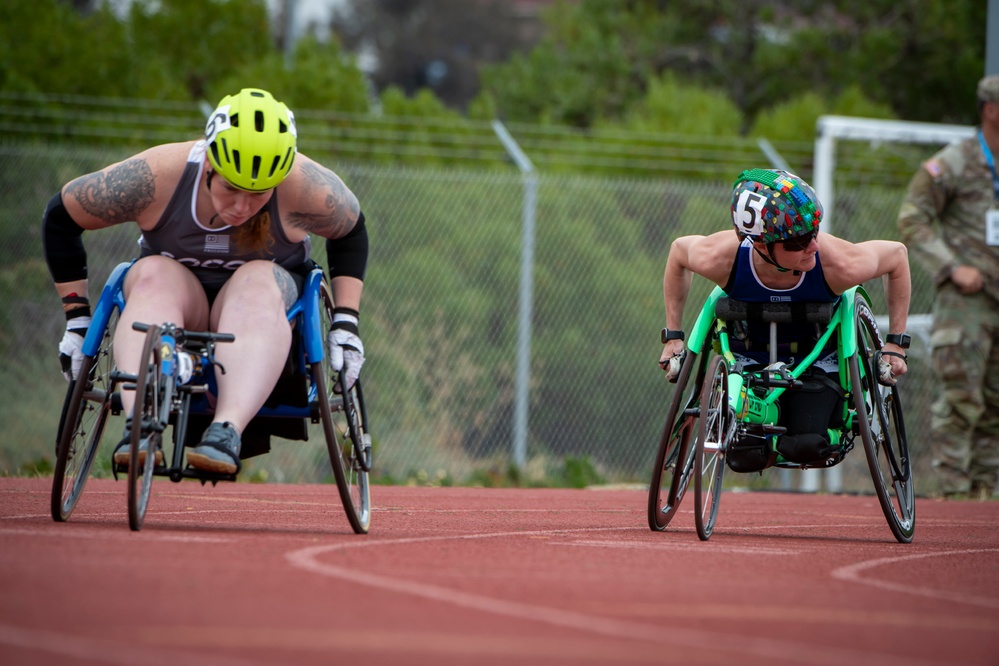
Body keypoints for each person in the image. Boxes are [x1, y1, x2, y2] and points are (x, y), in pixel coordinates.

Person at [43, 87, 369, 476]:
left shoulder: (306, 186)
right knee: (150, 275)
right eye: (231, 187)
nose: (242, 207)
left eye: (258, 194)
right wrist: (77, 320)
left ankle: (225, 433)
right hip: (178, 294)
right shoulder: (156, 176)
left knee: (258, 279)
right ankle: (138, 425)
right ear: (209, 163)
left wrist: (347, 322)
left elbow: (351, 230)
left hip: (261, 301)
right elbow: (62, 217)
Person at [659, 168, 911, 470]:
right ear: (760, 245)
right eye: (797, 243)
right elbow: (677, 254)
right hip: (747, 360)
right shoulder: (721, 258)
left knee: (809, 446)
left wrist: (895, 345)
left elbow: (897, 256)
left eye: (814, 234)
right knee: (743, 456)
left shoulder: (838, 264)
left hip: (818, 362)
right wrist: (674, 336)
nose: (813, 247)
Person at [897, 75, 999, 501]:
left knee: (995, 408)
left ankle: (987, 499)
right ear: (991, 110)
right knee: (960, 402)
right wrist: (952, 266)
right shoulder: (954, 163)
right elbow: (912, 219)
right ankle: (956, 502)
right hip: (967, 302)